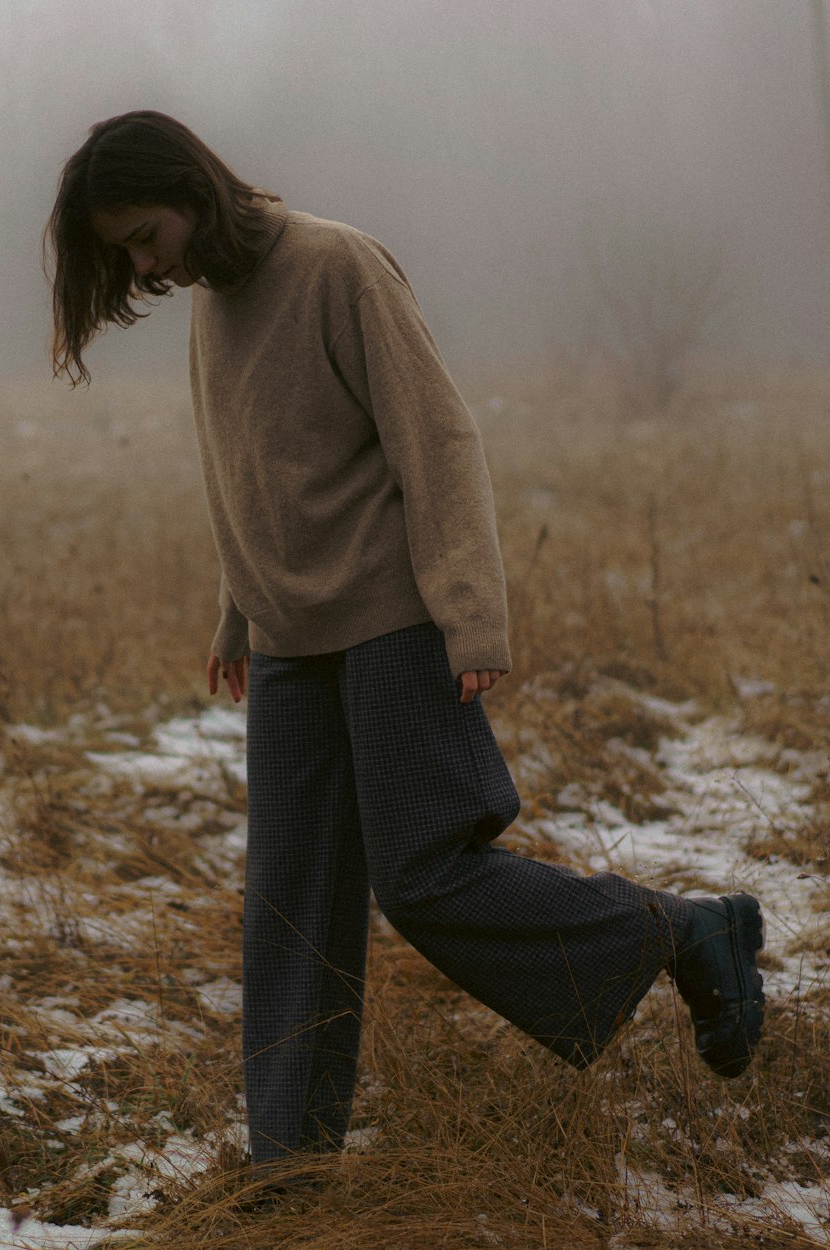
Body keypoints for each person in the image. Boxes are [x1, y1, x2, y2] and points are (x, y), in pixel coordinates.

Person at [45, 110, 766, 1174]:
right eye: (126, 255)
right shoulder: (215, 307)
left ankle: (682, 932)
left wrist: (470, 611)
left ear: (193, 188)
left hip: (391, 618)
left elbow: (438, 439)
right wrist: (237, 610)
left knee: (423, 874)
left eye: (146, 236)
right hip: (291, 640)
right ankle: (289, 1162)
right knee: (286, 903)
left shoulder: (337, 265)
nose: (149, 266)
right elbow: (248, 469)